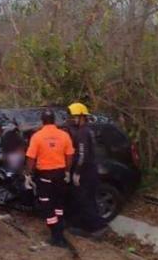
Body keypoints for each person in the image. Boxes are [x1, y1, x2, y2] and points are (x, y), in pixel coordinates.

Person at [25, 109, 74, 248]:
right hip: (60, 175)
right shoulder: (64, 135)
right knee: (58, 204)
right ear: (54, 120)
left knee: (47, 206)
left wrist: (28, 175)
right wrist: (67, 171)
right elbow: (70, 156)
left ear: (42, 121)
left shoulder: (37, 136)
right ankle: (60, 227)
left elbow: (31, 158)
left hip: (45, 177)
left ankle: (56, 236)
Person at [66, 102, 107, 237]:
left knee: (85, 200)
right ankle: (85, 226)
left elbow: (83, 154)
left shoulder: (83, 132)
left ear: (82, 116)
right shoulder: (89, 130)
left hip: (86, 171)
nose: (73, 119)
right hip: (91, 170)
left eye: (75, 116)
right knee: (87, 199)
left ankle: (98, 228)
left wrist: (77, 173)